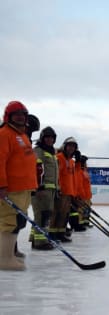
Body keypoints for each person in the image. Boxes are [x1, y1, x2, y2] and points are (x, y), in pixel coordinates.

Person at [0, 101, 37, 270]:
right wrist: (2, 185)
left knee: (18, 222)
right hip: (11, 189)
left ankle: (9, 255)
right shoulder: (4, 134)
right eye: (16, 115)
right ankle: (4, 259)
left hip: (24, 188)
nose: (21, 117)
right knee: (10, 222)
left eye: (23, 114)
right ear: (8, 117)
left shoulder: (22, 136)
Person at [30, 126, 59, 250]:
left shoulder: (52, 152)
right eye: (47, 137)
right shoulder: (39, 150)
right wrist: (39, 187)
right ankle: (40, 243)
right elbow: (36, 168)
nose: (50, 140)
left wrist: (57, 188)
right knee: (42, 215)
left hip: (50, 189)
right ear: (42, 138)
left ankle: (35, 238)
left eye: (52, 138)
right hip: (42, 189)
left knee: (44, 215)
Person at [50, 137, 78, 242]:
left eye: (73, 147)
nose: (71, 148)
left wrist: (74, 193)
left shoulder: (71, 161)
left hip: (68, 192)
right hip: (60, 191)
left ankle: (60, 233)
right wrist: (58, 188)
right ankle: (52, 234)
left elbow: (73, 178)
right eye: (69, 145)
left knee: (64, 215)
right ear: (65, 146)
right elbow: (56, 175)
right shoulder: (59, 157)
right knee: (55, 213)